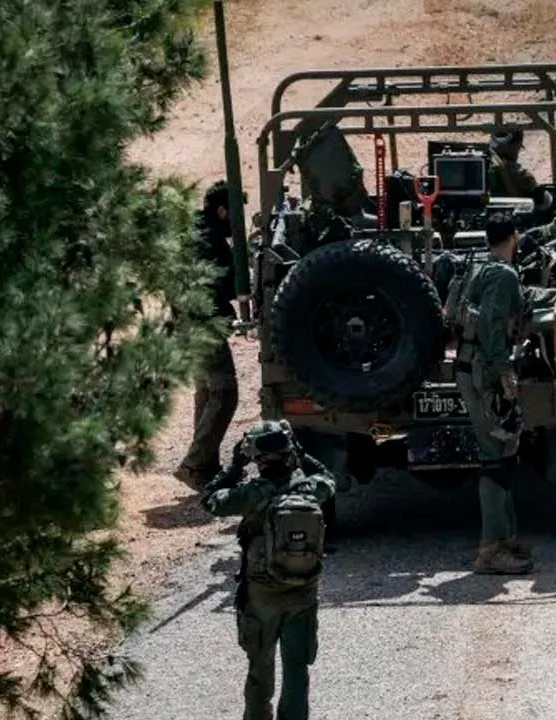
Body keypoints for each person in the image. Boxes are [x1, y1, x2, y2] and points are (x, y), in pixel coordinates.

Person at [201, 420, 336, 720]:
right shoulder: (309, 489)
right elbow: (328, 478)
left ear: (255, 457)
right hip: (302, 592)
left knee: (260, 672)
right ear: (289, 451)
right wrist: (303, 456)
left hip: (262, 596)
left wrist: (234, 467)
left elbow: (209, 500)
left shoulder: (251, 494)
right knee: (296, 672)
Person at [454, 213, 556, 574]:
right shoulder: (503, 274)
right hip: (485, 372)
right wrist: (503, 372)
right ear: (514, 237)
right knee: (494, 457)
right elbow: (490, 323)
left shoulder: (481, 268)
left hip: (473, 366)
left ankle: (505, 536)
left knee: (504, 450)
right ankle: (490, 549)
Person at [175, 180, 241, 488]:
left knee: (207, 391)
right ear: (223, 210)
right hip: (203, 323)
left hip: (188, 321)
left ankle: (205, 467)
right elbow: (226, 285)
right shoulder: (211, 237)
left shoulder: (191, 230)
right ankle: (196, 464)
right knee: (225, 393)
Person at [487, 129, 540, 198]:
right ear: (513, 146)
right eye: (518, 147)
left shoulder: (484, 165)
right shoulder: (522, 176)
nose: (518, 151)